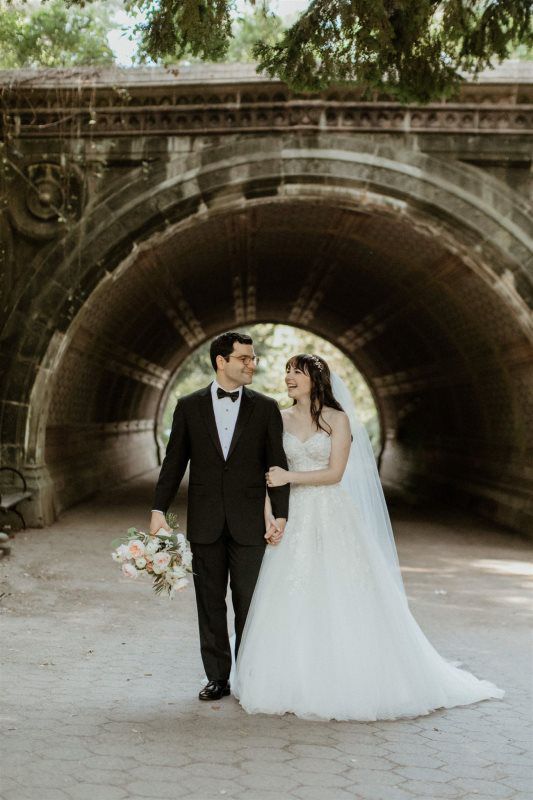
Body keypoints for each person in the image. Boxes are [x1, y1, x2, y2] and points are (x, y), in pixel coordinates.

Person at [232, 353, 504, 721]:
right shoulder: (276, 419)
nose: (289, 377)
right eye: (287, 372)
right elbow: (270, 475)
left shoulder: (338, 420)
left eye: (297, 371)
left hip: (331, 514)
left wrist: (289, 479)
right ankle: (291, 677)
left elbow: (334, 473)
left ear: (317, 378)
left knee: (341, 590)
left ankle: (349, 677)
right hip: (292, 517)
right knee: (292, 592)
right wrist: (272, 517)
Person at [150, 332, 289, 701]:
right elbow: (173, 463)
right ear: (221, 361)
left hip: (250, 524)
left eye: (253, 358)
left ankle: (248, 676)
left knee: (249, 602)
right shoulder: (188, 406)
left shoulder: (266, 407)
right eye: (244, 358)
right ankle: (217, 678)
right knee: (210, 603)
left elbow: (277, 464)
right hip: (206, 523)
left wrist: (281, 515)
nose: (251, 364)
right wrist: (157, 510)